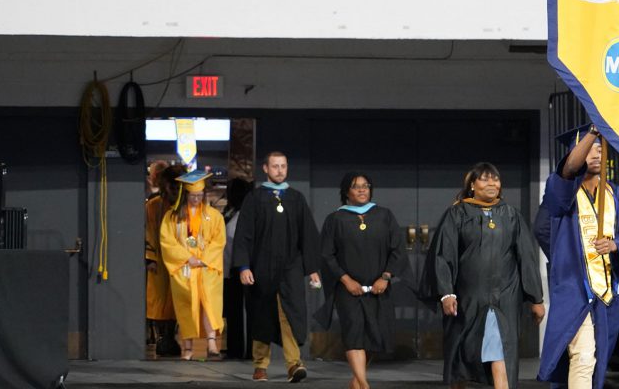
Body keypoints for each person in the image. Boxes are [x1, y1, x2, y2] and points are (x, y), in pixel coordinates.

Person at [422, 162, 545, 389]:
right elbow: (443, 255)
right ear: (472, 185)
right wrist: (446, 292)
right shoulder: (457, 213)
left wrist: (536, 299)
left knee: (500, 353)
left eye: (495, 179)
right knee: (461, 356)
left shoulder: (510, 215)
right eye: (485, 179)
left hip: (504, 298)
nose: (492, 183)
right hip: (468, 298)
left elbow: (526, 258)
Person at [537, 126, 619, 389]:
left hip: (606, 292)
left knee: (594, 360)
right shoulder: (561, 192)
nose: (596, 154)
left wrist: (616, 246)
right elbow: (567, 171)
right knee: (583, 355)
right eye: (589, 148)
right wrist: (566, 256)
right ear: (576, 152)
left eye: (601, 149)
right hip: (574, 288)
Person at [233, 151, 321, 383]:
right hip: (261, 267)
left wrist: (312, 268)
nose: (280, 170)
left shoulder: (296, 198)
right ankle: (260, 366)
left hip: (290, 267)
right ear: (265, 169)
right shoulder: (254, 198)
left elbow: (308, 236)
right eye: (275, 166)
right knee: (262, 316)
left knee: (289, 316)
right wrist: (243, 266)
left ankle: (294, 364)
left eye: (283, 166)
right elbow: (244, 235)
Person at [315, 172, 408, 389]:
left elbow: (397, 250)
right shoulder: (335, 219)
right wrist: (346, 280)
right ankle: (364, 384)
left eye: (365, 186)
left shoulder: (384, 216)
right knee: (354, 333)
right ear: (346, 191)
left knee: (376, 337)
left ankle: (356, 383)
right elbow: (327, 254)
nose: (362, 190)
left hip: (379, 288)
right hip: (348, 290)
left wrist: (385, 277)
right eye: (356, 186)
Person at [160, 170, 226, 361]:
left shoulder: (214, 216)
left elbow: (218, 241)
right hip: (184, 268)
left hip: (207, 267)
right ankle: (187, 347)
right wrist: (187, 258)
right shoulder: (173, 217)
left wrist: (203, 258)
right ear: (185, 194)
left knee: (209, 304)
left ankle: (212, 343)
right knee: (186, 306)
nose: (196, 199)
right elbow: (167, 241)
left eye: (199, 195)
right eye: (193, 195)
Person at [145, 163, 186, 357]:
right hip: (160, 261)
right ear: (165, 185)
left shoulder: (189, 206)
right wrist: (150, 258)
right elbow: (149, 233)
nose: (176, 190)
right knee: (159, 302)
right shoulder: (154, 206)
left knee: (178, 301)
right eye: (173, 186)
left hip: (182, 261)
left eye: (180, 186)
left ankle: (172, 337)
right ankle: (163, 338)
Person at [222, 177, 253, 359]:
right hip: (234, 267)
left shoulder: (239, 215)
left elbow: (233, 239)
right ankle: (238, 348)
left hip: (239, 267)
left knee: (238, 311)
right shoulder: (232, 213)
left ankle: (241, 349)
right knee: (236, 311)